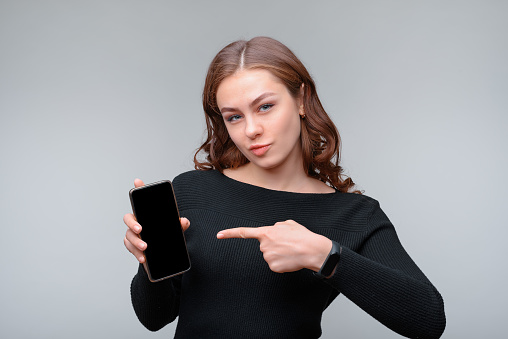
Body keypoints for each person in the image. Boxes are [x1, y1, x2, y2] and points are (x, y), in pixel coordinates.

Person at [123, 36, 446, 338]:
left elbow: (429, 320)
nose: (251, 130)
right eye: (234, 117)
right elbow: (154, 318)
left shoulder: (353, 215)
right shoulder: (192, 190)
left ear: (302, 99)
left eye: (265, 107)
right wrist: (149, 261)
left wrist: (325, 256)